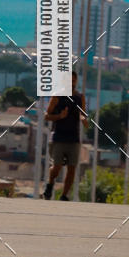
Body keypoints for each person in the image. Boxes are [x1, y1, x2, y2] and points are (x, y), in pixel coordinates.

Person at [43, 70, 87, 200]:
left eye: (74, 80)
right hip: (58, 138)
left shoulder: (80, 97)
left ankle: (64, 195)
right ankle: (50, 183)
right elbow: (46, 116)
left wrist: (83, 119)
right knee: (56, 167)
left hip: (74, 138)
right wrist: (59, 116)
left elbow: (82, 113)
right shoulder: (57, 97)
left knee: (72, 168)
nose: (72, 83)